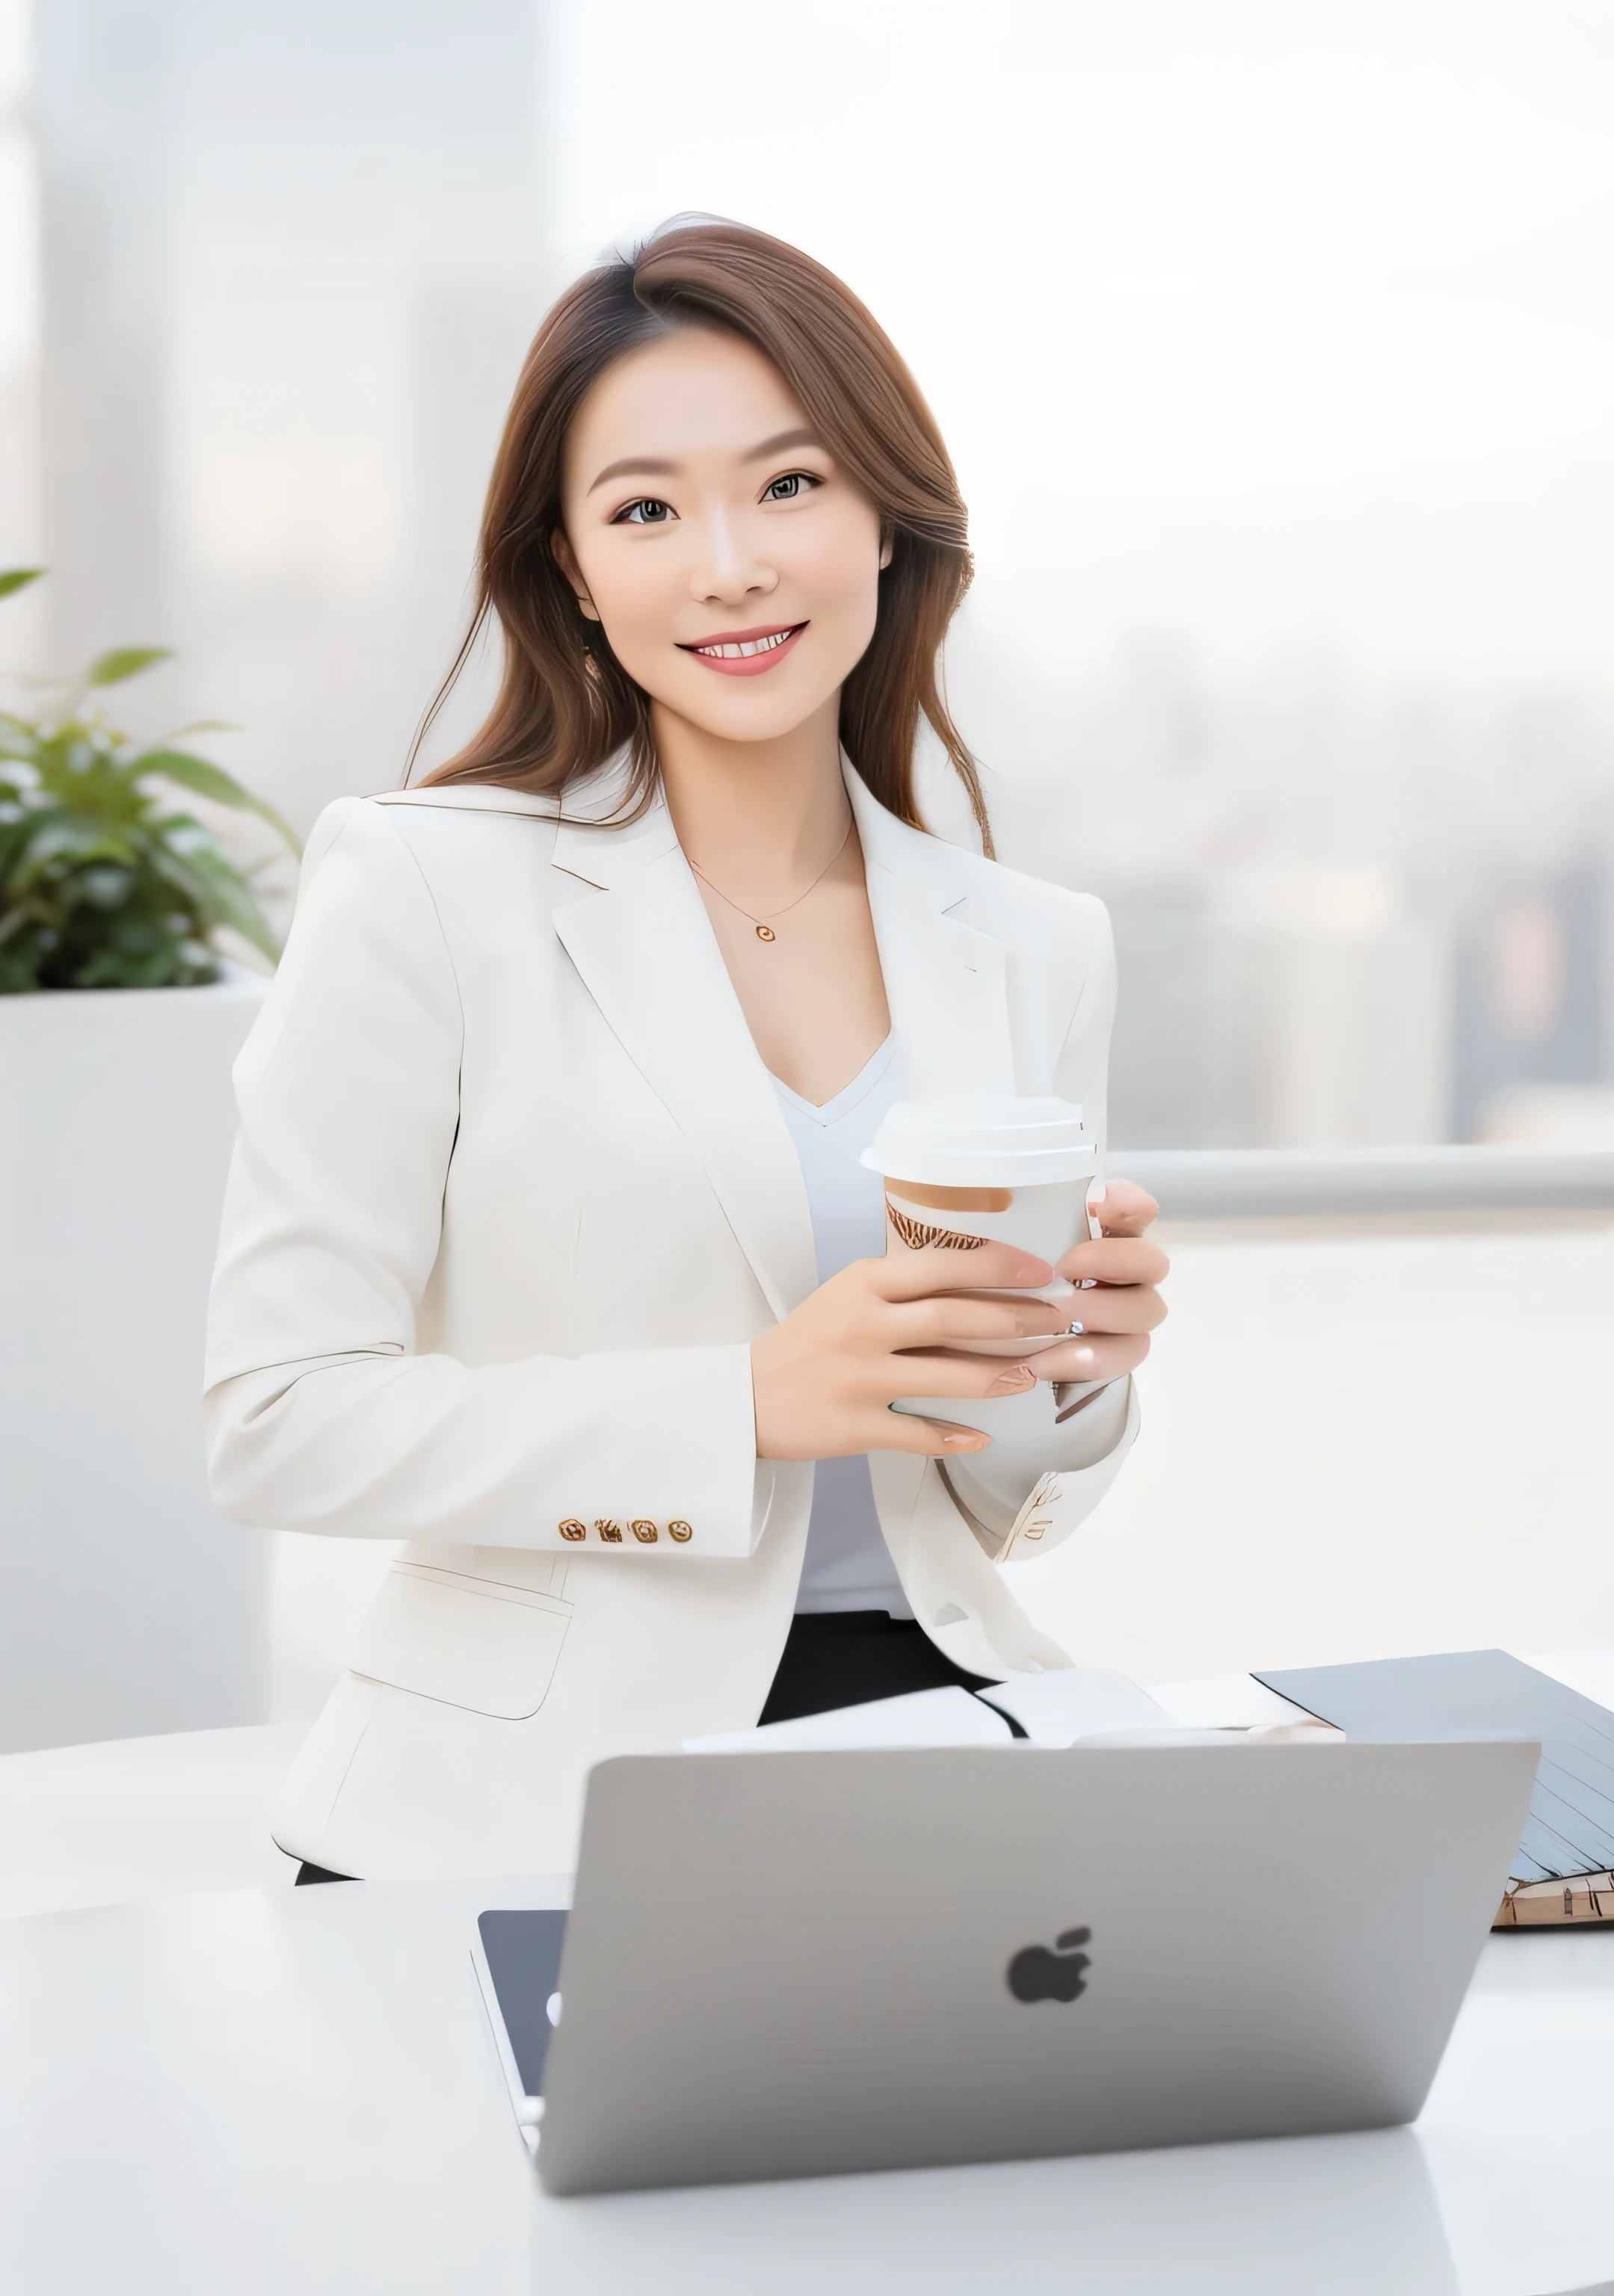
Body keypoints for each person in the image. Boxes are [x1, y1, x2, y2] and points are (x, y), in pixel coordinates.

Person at [204, 218, 1169, 1884]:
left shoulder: (1034, 941)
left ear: (885, 519)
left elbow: (994, 1498)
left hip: (942, 1716)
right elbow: (278, 1417)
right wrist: (741, 1409)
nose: (727, 563)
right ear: (575, 572)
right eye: (645, 509)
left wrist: (1072, 1365)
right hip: (531, 1792)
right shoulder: (422, 886)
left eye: (790, 486)